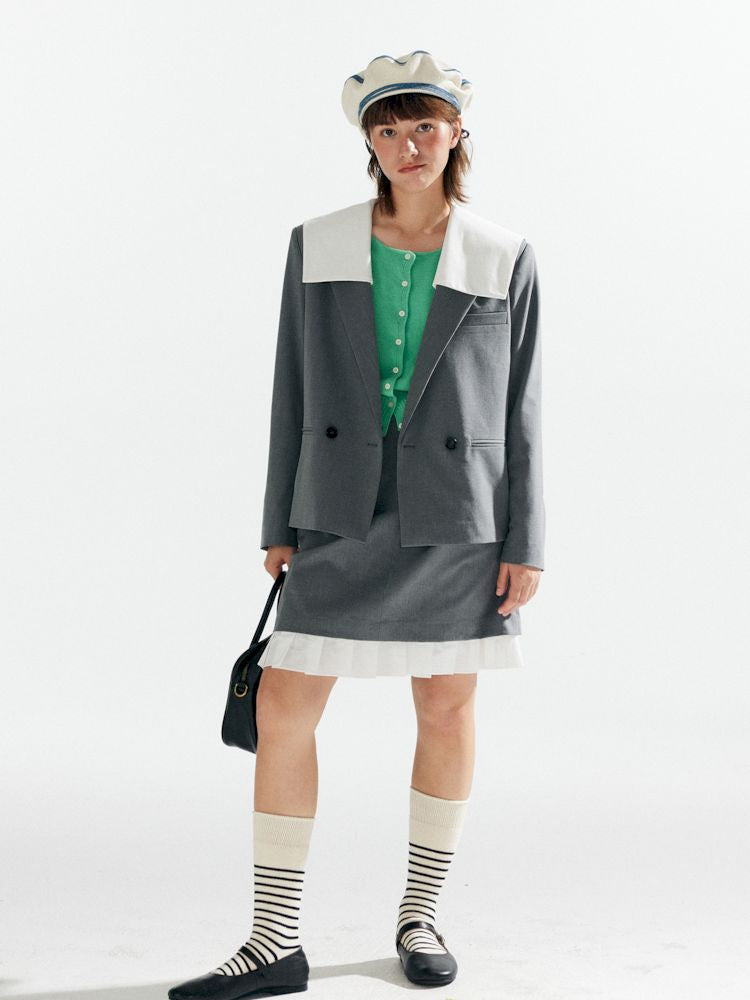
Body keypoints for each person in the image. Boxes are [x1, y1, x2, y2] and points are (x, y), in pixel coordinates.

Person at [168, 48, 544, 999]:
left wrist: (528, 540)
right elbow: (288, 388)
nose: (407, 145)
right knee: (285, 707)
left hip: (458, 522)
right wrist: (278, 520)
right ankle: (273, 939)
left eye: (424, 126)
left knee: (446, 707)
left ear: (456, 134)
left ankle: (420, 916)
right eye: (387, 129)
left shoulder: (503, 253)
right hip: (337, 509)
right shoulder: (319, 242)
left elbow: (525, 410)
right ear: (368, 143)